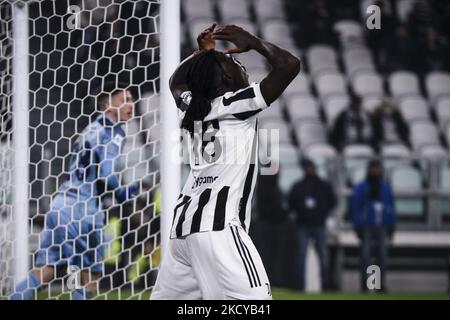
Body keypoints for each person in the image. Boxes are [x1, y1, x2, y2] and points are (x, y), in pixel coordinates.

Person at [150, 24, 300, 300]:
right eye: (233, 62)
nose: (240, 63)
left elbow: (175, 83)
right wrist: (254, 42)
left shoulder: (192, 107)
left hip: (183, 228)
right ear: (227, 78)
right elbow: (290, 65)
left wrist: (202, 55)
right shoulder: (235, 104)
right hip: (218, 227)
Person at [10, 81, 141, 300]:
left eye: (131, 99)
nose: (131, 104)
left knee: (47, 270)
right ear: (108, 105)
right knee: (89, 275)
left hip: (60, 205)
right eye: (124, 100)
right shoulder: (114, 132)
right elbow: (106, 173)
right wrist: (123, 193)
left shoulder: (90, 128)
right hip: (83, 208)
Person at [288, 159, 337, 291]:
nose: (310, 170)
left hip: (319, 224)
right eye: (308, 168)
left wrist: (323, 214)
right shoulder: (298, 186)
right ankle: (299, 286)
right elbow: (291, 202)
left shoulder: (324, 186)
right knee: (301, 256)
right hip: (302, 225)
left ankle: (326, 286)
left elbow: (332, 201)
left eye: (312, 168)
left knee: (323, 257)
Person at [352, 159, 397, 292]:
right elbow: (356, 207)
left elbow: (391, 206)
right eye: (374, 168)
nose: (376, 171)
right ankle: (365, 285)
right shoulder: (362, 187)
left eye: (378, 168)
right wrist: (357, 225)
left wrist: (392, 224)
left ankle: (378, 285)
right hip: (367, 226)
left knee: (381, 257)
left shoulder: (386, 186)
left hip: (382, 225)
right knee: (366, 257)